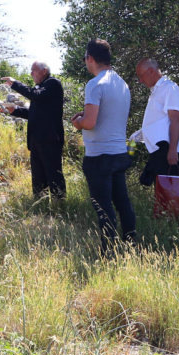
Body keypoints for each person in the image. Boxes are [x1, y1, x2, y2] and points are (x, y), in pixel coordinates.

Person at [70, 39, 134, 255]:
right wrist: (86, 116)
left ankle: (109, 253)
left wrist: (77, 122)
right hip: (119, 153)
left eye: (85, 58)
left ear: (90, 58)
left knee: (104, 207)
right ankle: (131, 246)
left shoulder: (95, 83)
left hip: (99, 156)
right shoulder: (122, 84)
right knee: (122, 203)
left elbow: (89, 123)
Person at [2, 61, 66, 203]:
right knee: (38, 176)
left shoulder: (53, 84)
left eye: (33, 70)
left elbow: (35, 95)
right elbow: (35, 112)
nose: (31, 74)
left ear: (44, 71)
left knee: (53, 175)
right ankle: (40, 205)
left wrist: (15, 83)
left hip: (50, 139)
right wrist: (16, 110)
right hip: (37, 139)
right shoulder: (40, 88)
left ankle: (60, 206)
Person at [133, 58, 179, 185]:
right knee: (155, 186)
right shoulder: (156, 90)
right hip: (158, 149)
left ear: (151, 71)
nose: (140, 80)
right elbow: (159, 121)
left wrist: (172, 149)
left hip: (168, 149)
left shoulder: (170, 88)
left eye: (141, 76)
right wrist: (140, 134)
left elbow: (175, 119)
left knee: (170, 193)